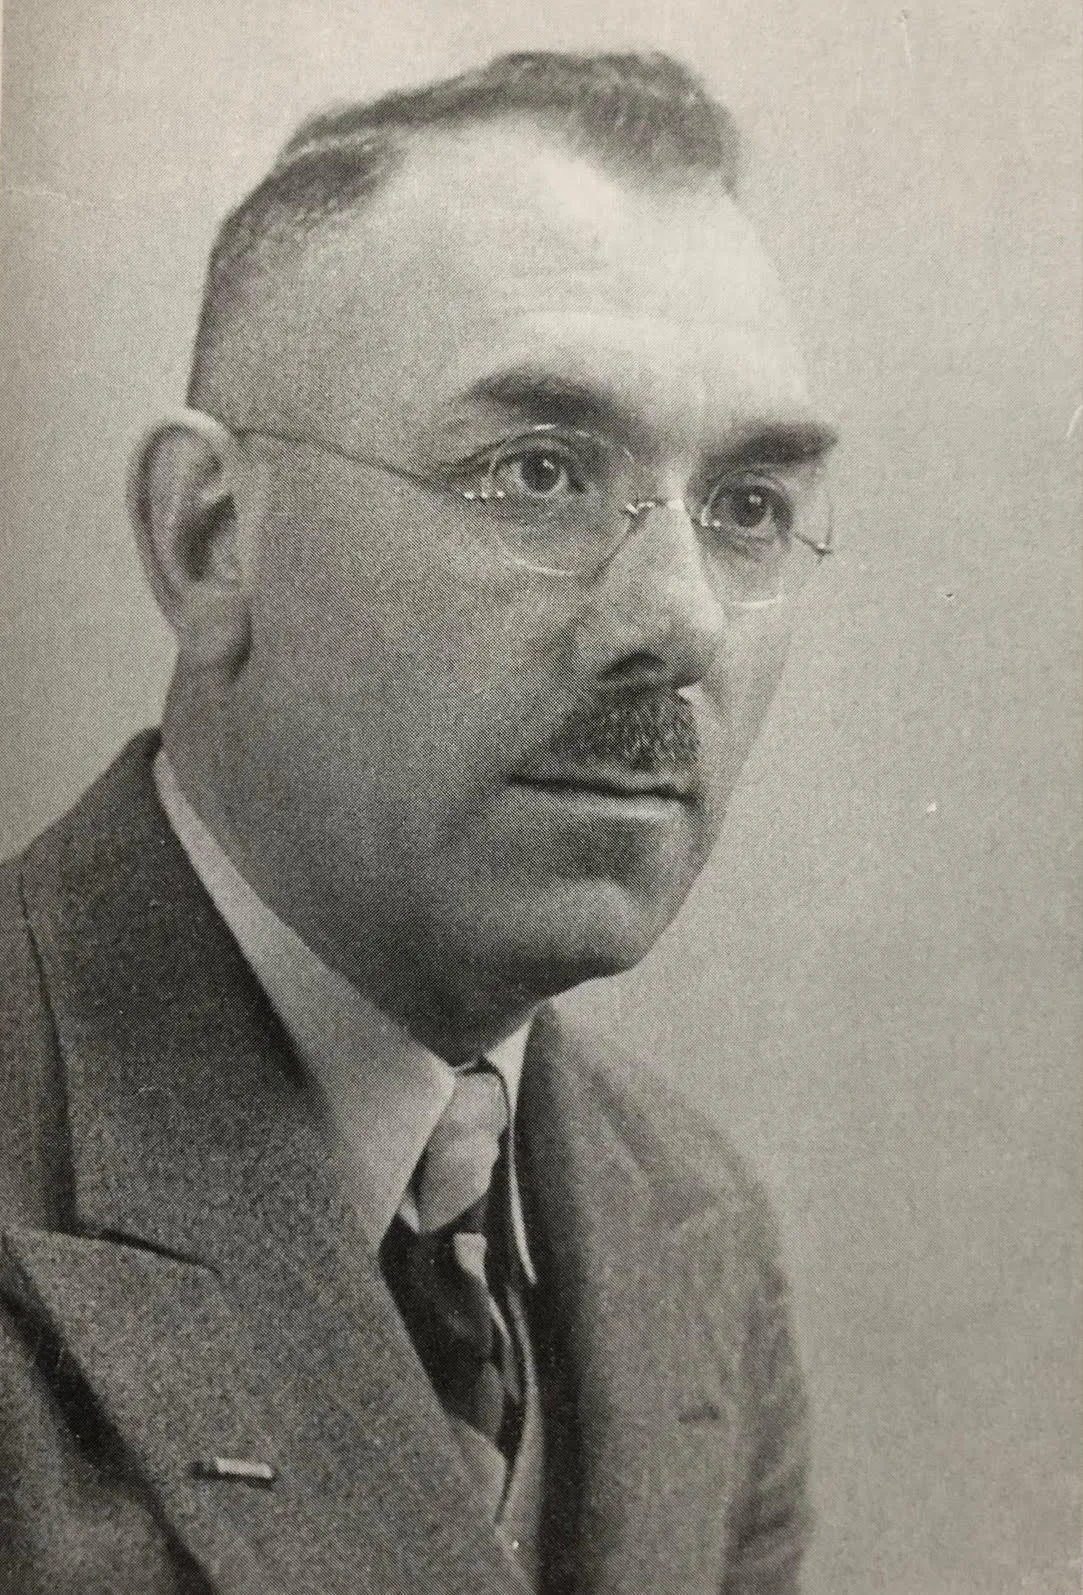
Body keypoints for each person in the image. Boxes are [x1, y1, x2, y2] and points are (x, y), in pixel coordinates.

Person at [0, 49, 837, 1595]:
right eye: (538, 471)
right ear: (211, 539)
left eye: (746, 506)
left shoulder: (693, 1233)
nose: (679, 621)